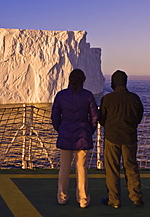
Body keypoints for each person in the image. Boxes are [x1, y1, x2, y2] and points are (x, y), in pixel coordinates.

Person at [51, 69, 99, 208]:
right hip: (83, 135)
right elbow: (95, 116)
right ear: (83, 80)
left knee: (64, 168)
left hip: (65, 133)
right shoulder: (88, 96)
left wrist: (61, 129)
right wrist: (89, 131)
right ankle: (83, 199)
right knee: (81, 168)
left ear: (69, 80)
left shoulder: (61, 95)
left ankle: (62, 197)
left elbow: (55, 116)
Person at [99, 70, 144, 208]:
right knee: (131, 167)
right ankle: (136, 197)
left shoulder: (108, 99)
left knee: (112, 169)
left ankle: (114, 200)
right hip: (129, 137)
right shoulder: (134, 98)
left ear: (113, 83)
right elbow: (139, 116)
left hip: (112, 138)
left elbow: (102, 119)